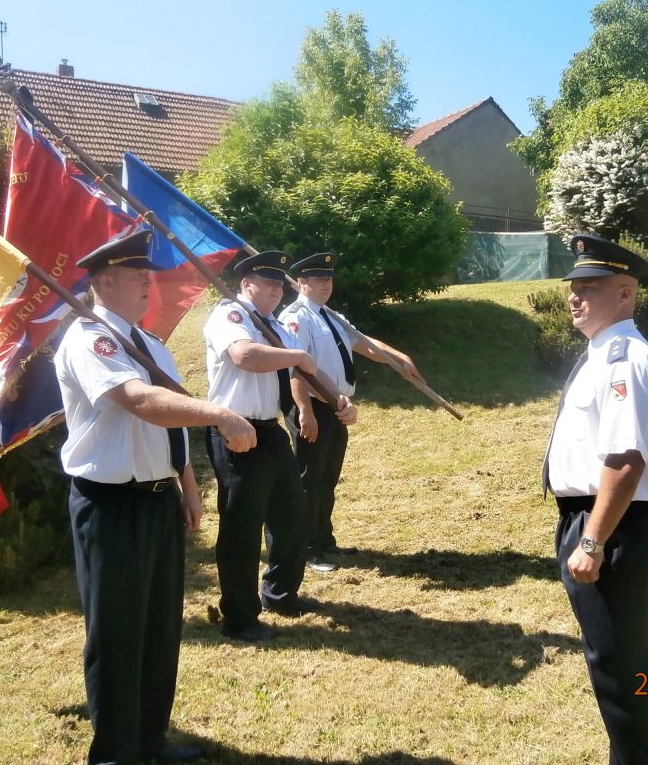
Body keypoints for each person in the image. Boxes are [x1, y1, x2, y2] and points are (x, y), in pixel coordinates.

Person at [55, 229, 256, 765]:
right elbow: (140, 401)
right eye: (137, 276)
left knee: (159, 627)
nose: (148, 283)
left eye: (148, 275)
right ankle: (115, 754)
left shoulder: (150, 345)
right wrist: (219, 413)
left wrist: (185, 486)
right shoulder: (91, 339)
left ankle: (149, 741)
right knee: (118, 632)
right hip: (111, 504)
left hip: (158, 499)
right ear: (105, 283)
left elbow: (167, 421)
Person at [542, 233, 648, 764]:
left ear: (625, 293)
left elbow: (625, 461)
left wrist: (592, 542)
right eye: (574, 287)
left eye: (591, 288)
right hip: (595, 520)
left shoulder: (624, 359)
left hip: (613, 525)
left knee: (621, 671)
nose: (575, 297)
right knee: (616, 663)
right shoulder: (603, 353)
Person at [203, 250, 357, 642]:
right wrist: (298, 355)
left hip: (270, 431)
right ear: (245, 284)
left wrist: (338, 399)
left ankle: (280, 593)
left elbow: (303, 370)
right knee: (242, 528)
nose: (274, 290)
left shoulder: (273, 324)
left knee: (291, 515)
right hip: (236, 430)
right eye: (266, 283)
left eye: (277, 284)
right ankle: (239, 617)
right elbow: (245, 356)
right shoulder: (230, 315)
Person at [279, 253, 423, 571]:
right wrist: (304, 411)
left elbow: (364, 344)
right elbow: (294, 368)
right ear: (301, 282)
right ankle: (306, 548)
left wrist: (399, 358)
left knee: (327, 477)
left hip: (336, 406)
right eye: (319, 279)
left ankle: (324, 540)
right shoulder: (295, 318)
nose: (326, 284)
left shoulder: (332, 316)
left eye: (329, 278)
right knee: (309, 479)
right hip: (313, 406)